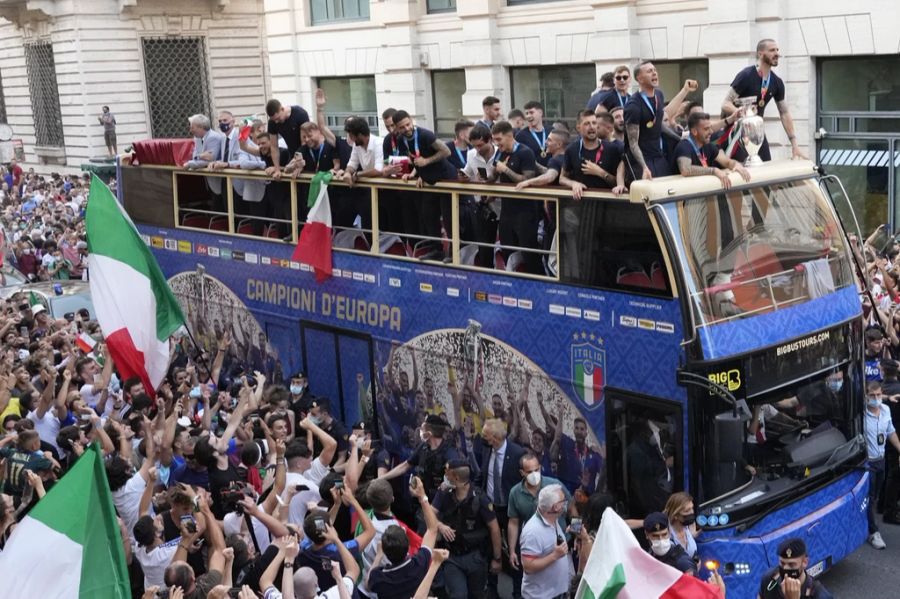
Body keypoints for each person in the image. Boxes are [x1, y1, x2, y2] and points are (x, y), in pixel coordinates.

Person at [722, 39, 805, 161]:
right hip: (736, 133)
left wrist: (794, 144)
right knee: (745, 173)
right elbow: (725, 104)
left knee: (766, 168)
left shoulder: (777, 82)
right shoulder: (746, 75)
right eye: (772, 50)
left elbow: (784, 113)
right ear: (760, 54)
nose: (776, 53)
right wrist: (744, 115)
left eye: (777, 50)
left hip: (757, 133)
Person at [432, 460, 502, 599]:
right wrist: (440, 525)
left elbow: (494, 528)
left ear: (456, 478)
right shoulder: (444, 493)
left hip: (475, 557)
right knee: (458, 595)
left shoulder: (480, 499)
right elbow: (429, 513)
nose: (445, 477)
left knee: (477, 594)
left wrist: (497, 558)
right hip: (452, 556)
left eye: (448, 474)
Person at [508, 453, 573, 599]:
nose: (534, 474)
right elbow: (513, 522)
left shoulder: (554, 488)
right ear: (522, 473)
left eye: (536, 470)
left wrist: (576, 531)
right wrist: (512, 551)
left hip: (556, 585)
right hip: (541, 592)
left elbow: (572, 509)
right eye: (529, 472)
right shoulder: (516, 494)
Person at [366, 475, 438, 599]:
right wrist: (422, 497)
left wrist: (378, 557)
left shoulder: (379, 579)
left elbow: (368, 583)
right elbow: (432, 529)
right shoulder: (419, 564)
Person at [478, 418, 526, 598]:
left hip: (510, 510)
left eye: (486, 435)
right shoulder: (485, 448)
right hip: (491, 508)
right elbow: (482, 476)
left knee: (515, 550)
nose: (482, 437)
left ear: (496, 438)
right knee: (490, 547)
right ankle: (491, 587)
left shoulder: (517, 453)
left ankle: (517, 590)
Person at [491, 121, 541, 273]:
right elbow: (493, 175)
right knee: (506, 248)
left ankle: (536, 280)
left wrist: (505, 170)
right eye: (495, 140)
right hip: (507, 209)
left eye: (499, 139)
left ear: (509, 136)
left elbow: (526, 179)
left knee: (528, 252)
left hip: (525, 211)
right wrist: (488, 176)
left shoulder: (525, 152)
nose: (497, 143)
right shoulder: (500, 152)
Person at [382, 415, 459, 501]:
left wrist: (447, 485)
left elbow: (457, 479)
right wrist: (382, 478)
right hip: (421, 499)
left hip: (440, 504)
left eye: (422, 429)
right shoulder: (423, 447)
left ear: (429, 434)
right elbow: (405, 466)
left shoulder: (449, 453)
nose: (420, 431)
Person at [519, 484, 574, 599]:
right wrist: (555, 555)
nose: (565, 503)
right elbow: (528, 567)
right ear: (555, 507)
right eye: (563, 501)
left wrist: (575, 531)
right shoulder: (532, 532)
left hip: (557, 592)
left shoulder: (553, 518)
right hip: (541, 596)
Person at [863, 380, 900, 549]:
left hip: (881, 460)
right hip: (868, 463)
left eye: (879, 395)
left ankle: (867, 522)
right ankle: (873, 532)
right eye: (872, 395)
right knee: (869, 498)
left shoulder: (885, 409)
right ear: (866, 396)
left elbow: (890, 431)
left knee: (876, 495)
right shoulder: (861, 415)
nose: (876, 398)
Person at [674, 112, 751, 189]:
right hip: (682, 196)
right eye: (706, 129)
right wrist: (713, 171)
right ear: (694, 131)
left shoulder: (708, 145)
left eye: (710, 127)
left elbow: (727, 162)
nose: (711, 131)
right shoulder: (684, 146)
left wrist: (735, 165)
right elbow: (685, 170)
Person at [559, 111, 626, 199]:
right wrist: (573, 184)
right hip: (580, 204)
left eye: (594, 123)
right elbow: (562, 178)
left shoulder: (612, 149)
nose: (592, 127)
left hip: (607, 204)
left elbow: (619, 184)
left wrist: (600, 173)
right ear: (578, 128)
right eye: (587, 124)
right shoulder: (571, 149)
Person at [624, 61, 670, 180]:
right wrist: (644, 167)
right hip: (642, 161)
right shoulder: (633, 105)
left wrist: (679, 137)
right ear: (639, 78)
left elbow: (660, 122)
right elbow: (633, 143)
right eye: (649, 71)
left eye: (654, 70)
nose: (654, 73)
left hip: (658, 156)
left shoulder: (659, 95)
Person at [756, 538, 833, 599]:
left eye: (791, 564)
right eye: (782, 563)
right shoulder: (769, 579)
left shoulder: (820, 596)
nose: (785, 569)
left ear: (804, 562)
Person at [265, 98, 311, 178]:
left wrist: (299, 164)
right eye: (274, 120)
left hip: (306, 153)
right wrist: (277, 168)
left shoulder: (300, 114)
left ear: (282, 109)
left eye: (278, 118)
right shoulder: (272, 122)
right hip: (292, 153)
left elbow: (304, 142)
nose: (276, 122)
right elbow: (274, 146)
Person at [663, 491, 698, 559]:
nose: (692, 512)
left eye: (692, 508)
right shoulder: (664, 535)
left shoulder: (689, 526)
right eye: (687, 511)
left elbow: (693, 535)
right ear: (675, 515)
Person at [515, 101, 551, 167]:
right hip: (532, 174)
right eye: (526, 113)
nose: (528, 116)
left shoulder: (551, 131)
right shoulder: (520, 136)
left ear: (540, 113)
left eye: (531, 112)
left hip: (552, 171)